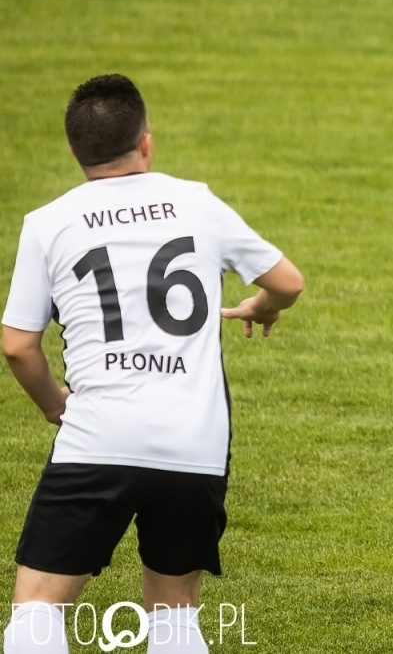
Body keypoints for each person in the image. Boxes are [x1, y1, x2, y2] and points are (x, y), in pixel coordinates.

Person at [2, 74, 303, 654]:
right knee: (173, 617)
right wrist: (262, 305)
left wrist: (53, 405)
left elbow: (18, 345)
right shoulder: (196, 202)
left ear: (74, 151)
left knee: (37, 614)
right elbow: (287, 282)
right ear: (146, 142)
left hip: (97, 438)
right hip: (195, 443)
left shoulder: (48, 222)